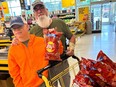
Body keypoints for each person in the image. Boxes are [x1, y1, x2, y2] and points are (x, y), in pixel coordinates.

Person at [30, 0, 76, 87]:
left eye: (41, 8)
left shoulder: (59, 23)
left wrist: (71, 48)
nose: (39, 11)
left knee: (65, 85)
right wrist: (16, 40)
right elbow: (28, 48)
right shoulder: (33, 31)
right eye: (36, 10)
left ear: (46, 10)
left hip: (62, 63)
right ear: (34, 14)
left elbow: (71, 37)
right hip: (46, 68)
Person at [8, 16, 49, 87]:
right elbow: (14, 73)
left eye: (19, 27)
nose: (17, 30)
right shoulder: (13, 50)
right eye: (14, 29)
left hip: (45, 82)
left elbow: (57, 53)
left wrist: (54, 40)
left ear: (27, 26)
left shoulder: (41, 41)